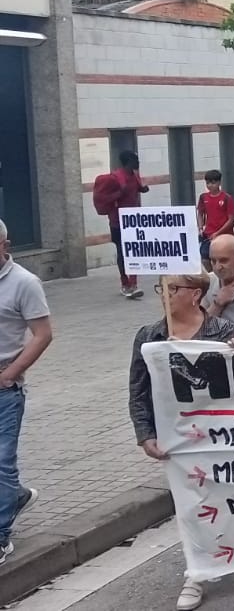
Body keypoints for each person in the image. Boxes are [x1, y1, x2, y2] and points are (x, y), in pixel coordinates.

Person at [127, 273, 234, 610]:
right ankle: (197, 572)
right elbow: (138, 389)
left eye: (173, 289)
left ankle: (223, 550)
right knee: (189, 503)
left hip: (219, 434)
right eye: (164, 288)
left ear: (195, 295)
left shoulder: (221, 331)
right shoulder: (150, 335)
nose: (166, 294)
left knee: (219, 498)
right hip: (177, 436)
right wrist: (145, 433)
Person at [0, 218, 50, 566]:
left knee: (2, 462)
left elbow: (43, 333)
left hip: (5, 389)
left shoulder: (24, 283)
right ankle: (15, 497)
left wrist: (10, 374)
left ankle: (1, 537)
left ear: (5, 245)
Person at [107, 150, 151, 299]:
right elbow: (109, 196)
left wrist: (143, 189)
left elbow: (138, 188)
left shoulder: (134, 175)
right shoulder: (116, 177)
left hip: (134, 220)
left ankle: (134, 283)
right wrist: (120, 192)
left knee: (134, 250)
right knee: (122, 252)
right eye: (136, 160)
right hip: (117, 221)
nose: (138, 163)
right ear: (128, 161)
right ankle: (125, 283)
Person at [196, 170, 234, 272]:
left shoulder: (227, 198)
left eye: (213, 183)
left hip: (224, 235)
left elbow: (230, 220)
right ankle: (213, 277)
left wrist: (218, 233)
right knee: (205, 258)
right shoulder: (203, 197)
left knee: (224, 258)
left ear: (219, 183)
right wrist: (200, 228)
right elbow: (200, 213)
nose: (210, 185)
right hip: (209, 234)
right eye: (208, 183)